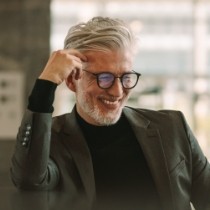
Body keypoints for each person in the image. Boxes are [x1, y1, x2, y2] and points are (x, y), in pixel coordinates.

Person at [10, 16, 210, 210]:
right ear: (72, 81)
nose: (117, 91)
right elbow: (29, 182)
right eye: (103, 77)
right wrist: (46, 84)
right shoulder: (51, 140)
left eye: (126, 77)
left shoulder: (172, 128)